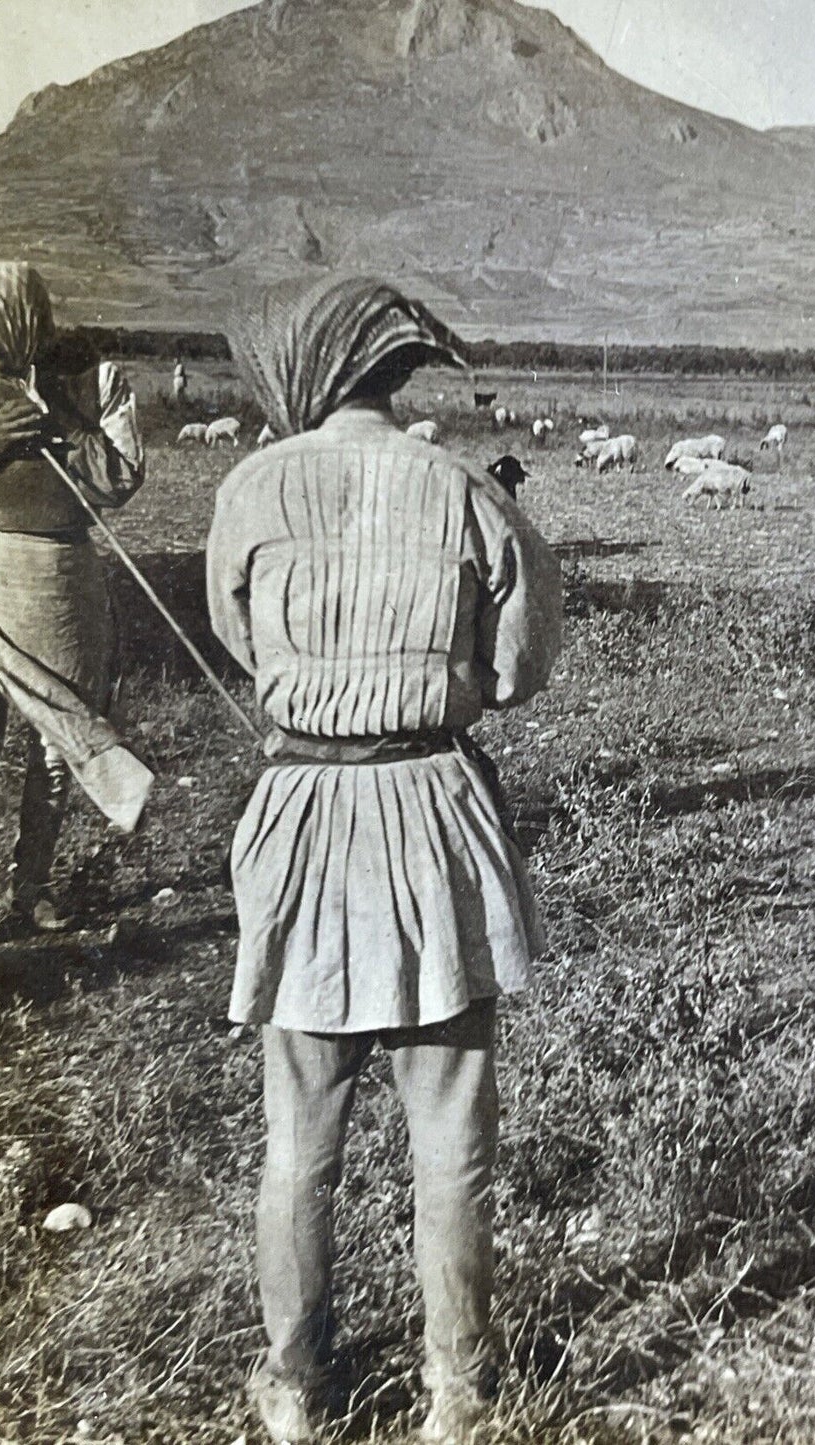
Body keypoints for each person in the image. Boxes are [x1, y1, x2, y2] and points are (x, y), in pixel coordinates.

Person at [206, 274, 562, 1445]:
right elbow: (515, 670)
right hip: (432, 818)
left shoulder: (251, 486)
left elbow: (236, 634)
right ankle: (456, 1392)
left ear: (304, 374)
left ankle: (296, 1384)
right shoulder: (464, 490)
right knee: (450, 1133)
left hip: (304, 817)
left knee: (297, 1137)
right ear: (391, 371)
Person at [0, 262, 152, 938]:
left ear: (22, 317)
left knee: (54, 748)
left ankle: (33, 889)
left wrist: (62, 426)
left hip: (63, 584)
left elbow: (120, 480)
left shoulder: (97, 380)